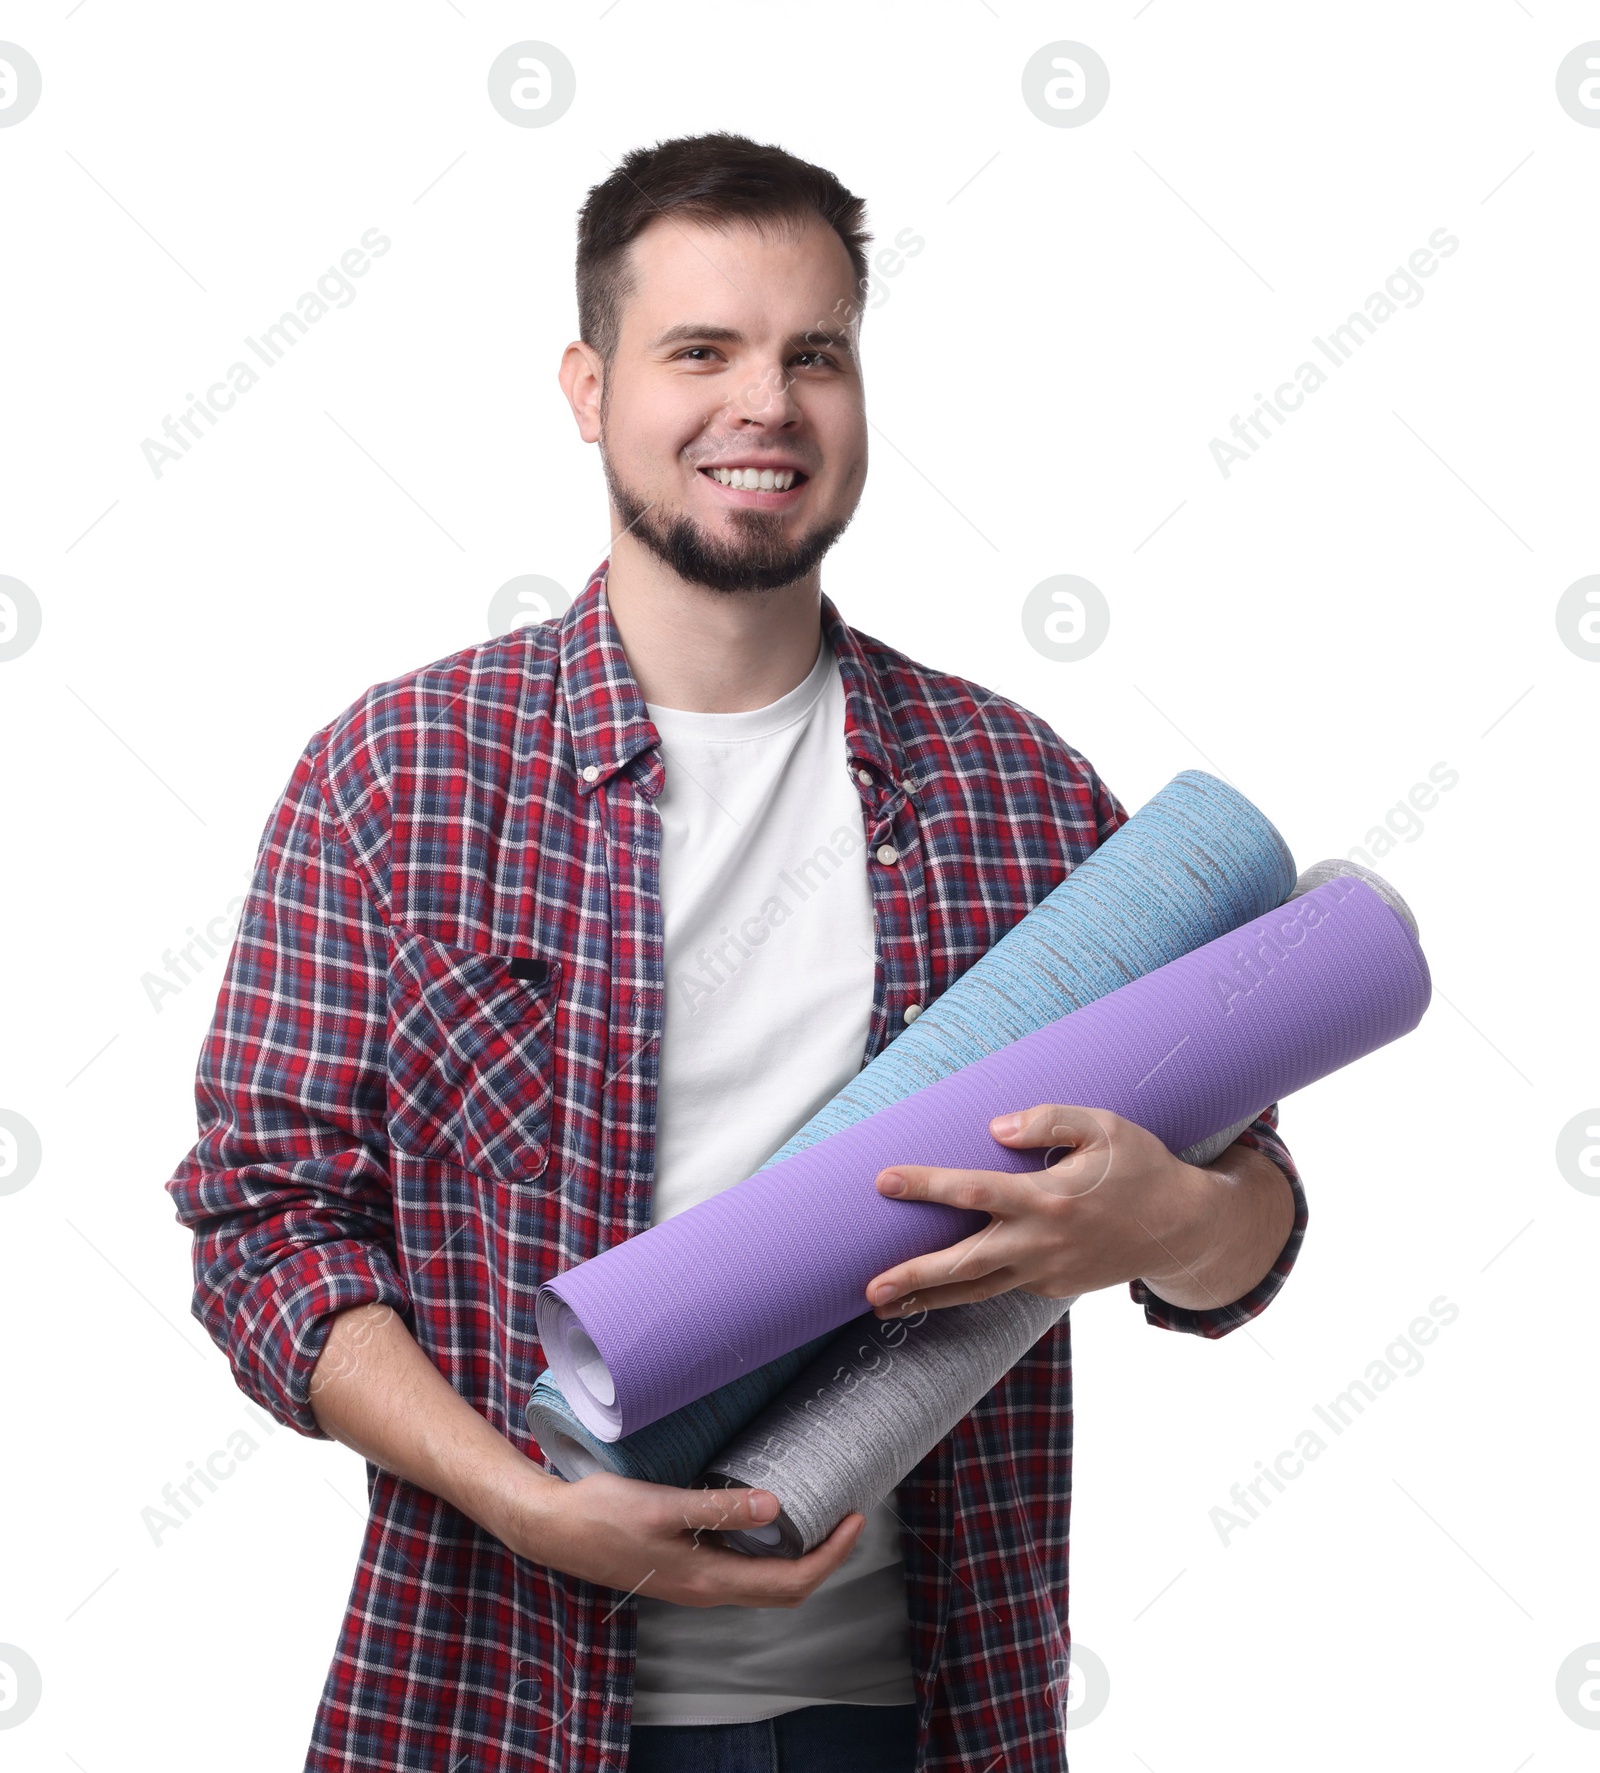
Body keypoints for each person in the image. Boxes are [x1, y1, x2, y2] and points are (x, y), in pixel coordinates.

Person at [165, 130, 1305, 1773]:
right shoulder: (399, 779)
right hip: (501, 1696)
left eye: (814, 353)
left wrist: (1164, 1216)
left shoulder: (1020, 792)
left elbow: (1249, 1225)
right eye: (700, 349)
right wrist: (521, 1496)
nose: (763, 403)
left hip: (916, 1713)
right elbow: (263, 1231)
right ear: (589, 385)